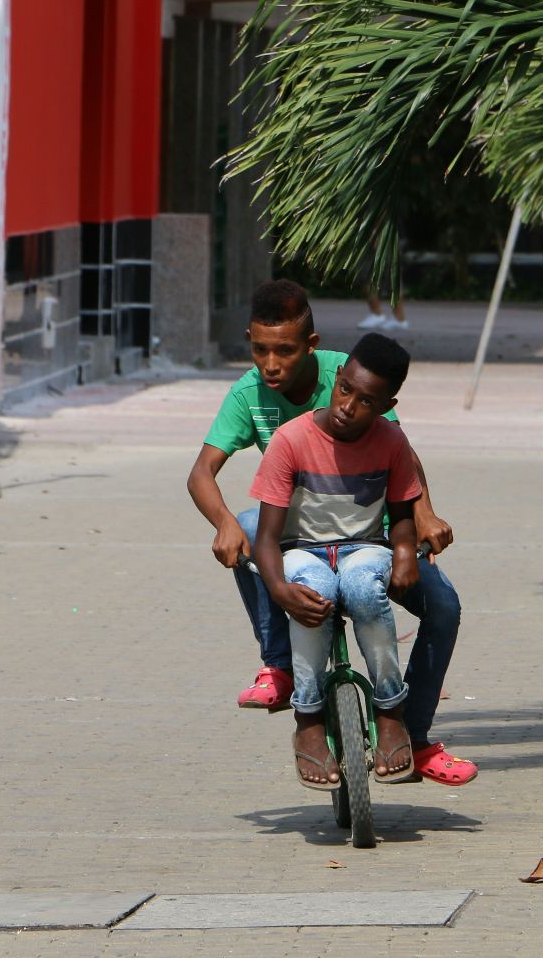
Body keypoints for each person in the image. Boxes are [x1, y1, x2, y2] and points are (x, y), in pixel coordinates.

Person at [185, 280, 476, 786]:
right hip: (296, 533)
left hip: (373, 533)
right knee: (251, 528)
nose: (270, 364)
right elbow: (200, 473)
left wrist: (423, 515)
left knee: (445, 606)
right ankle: (279, 667)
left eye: (285, 351)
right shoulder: (248, 394)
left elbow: (400, 452)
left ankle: (413, 734)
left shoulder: (356, 373)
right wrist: (224, 522)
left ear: (314, 347)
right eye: (259, 350)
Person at [249, 334, 421, 787]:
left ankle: (390, 711)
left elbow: (402, 516)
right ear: (337, 379)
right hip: (302, 550)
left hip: (363, 546)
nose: (348, 407)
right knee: (314, 592)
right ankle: (308, 723)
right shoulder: (291, 440)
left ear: (387, 405)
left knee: (364, 588)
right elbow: (267, 538)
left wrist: (404, 554)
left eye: (368, 402)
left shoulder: (391, 443)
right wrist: (278, 589)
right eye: (345, 389)